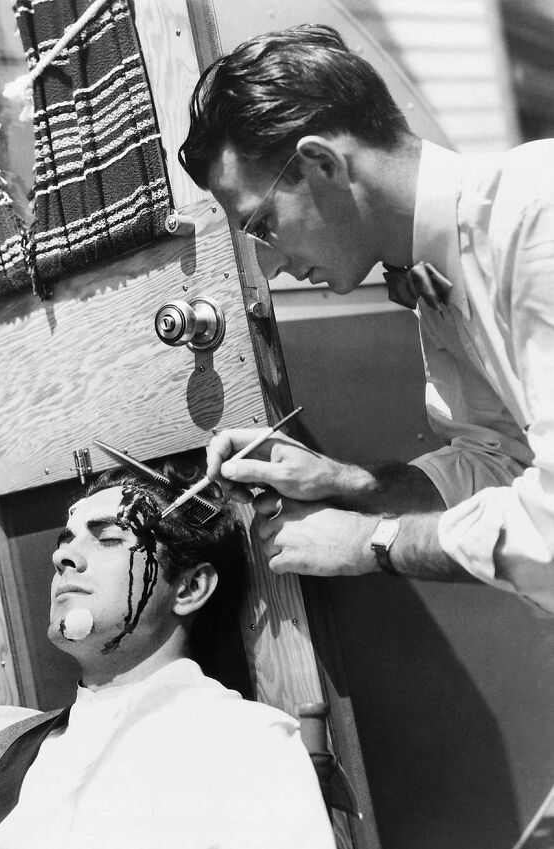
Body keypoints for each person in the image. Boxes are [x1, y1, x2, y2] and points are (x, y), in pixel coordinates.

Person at [179, 24, 554, 614]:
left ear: (321, 164)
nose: (270, 264)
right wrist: (347, 484)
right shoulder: (436, 271)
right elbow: (502, 466)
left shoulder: (537, 217)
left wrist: (371, 543)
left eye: (262, 226)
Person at [0, 460, 335, 848]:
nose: (62, 557)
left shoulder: (245, 747)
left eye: (107, 539)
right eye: (66, 540)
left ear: (189, 588)